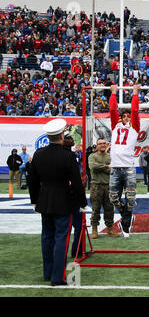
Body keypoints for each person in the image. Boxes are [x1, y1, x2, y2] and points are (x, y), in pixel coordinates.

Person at [29, 119, 89, 286]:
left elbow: (32, 179)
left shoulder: (39, 154)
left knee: (46, 237)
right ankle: (57, 277)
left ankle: (48, 273)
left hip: (44, 200)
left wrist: (34, 200)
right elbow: (76, 183)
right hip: (63, 201)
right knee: (61, 238)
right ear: (62, 135)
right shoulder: (68, 155)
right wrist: (82, 202)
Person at [108, 84, 141, 238]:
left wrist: (135, 93)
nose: (127, 118)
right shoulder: (115, 126)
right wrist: (113, 93)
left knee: (131, 198)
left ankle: (126, 222)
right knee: (113, 197)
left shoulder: (134, 127)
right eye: (124, 116)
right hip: (115, 167)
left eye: (128, 116)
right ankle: (127, 217)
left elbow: (135, 111)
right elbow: (112, 111)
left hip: (128, 167)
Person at [89, 138, 119, 239]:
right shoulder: (92, 156)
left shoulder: (111, 156)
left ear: (106, 145)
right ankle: (94, 229)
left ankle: (110, 228)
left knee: (109, 208)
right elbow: (93, 167)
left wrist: (104, 168)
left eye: (104, 143)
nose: (102, 145)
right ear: (96, 146)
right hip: (96, 186)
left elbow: (114, 169)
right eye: (100, 143)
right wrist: (107, 167)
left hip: (109, 186)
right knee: (95, 208)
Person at [62, 134, 83, 259]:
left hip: (66, 195)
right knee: (72, 226)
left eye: (71, 139)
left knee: (76, 226)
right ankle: (75, 251)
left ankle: (76, 250)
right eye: (67, 138)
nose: (71, 140)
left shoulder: (73, 155)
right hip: (70, 196)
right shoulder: (69, 156)